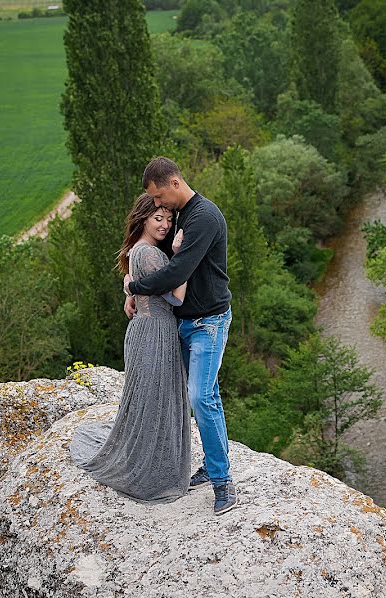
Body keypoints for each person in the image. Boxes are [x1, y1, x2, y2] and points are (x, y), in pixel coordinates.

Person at [123, 156, 238, 516]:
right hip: (184, 323)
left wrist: (135, 286)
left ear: (174, 184)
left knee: (200, 396)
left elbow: (178, 272)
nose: (158, 205)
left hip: (209, 322)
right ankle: (213, 465)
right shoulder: (182, 216)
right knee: (208, 395)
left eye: (159, 197)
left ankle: (223, 484)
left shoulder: (204, 216)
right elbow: (159, 255)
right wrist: (134, 295)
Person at [69, 193, 191, 503]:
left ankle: (152, 464)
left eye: (168, 219)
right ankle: (148, 473)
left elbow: (143, 286)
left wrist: (131, 289)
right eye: (157, 219)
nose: (164, 225)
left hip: (151, 330)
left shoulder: (142, 251)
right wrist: (182, 256)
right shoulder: (149, 254)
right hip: (154, 333)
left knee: (153, 399)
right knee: (154, 399)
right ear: (142, 219)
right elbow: (176, 298)